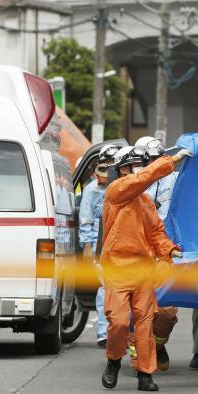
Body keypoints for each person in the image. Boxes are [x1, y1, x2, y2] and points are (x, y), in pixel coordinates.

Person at [100, 145, 191, 391]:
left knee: (144, 324)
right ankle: (113, 360)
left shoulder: (146, 202)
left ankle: (145, 374)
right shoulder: (115, 192)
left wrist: (168, 249)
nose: (137, 170)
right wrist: (168, 161)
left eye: (139, 165)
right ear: (121, 170)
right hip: (118, 269)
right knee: (118, 322)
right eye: (132, 166)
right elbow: (142, 179)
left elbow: (156, 233)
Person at [132, 136, 181, 372]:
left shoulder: (178, 180)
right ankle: (139, 360)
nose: (150, 163)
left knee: (167, 311)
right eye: (146, 160)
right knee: (137, 308)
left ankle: (158, 345)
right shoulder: (133, 181)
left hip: (166, 250)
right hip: (138, 251)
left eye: (155, 159)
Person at [79, 144, 120, 347]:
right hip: (101, 246)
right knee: (105, 288)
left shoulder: (127, 185)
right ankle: (104, 333)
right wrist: (87, 245)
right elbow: (86, 218)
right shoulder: (91, 190)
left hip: (124, 245)